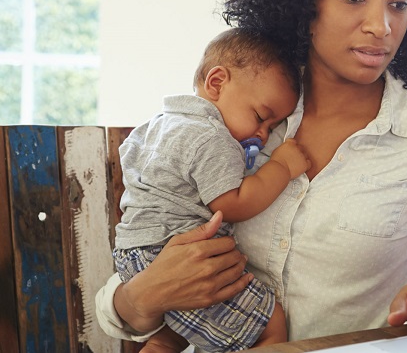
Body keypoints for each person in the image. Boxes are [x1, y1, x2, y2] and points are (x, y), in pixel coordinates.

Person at [95, 0, 407, 348]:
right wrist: (141, 297)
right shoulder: (239, 113)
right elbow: (127, 287)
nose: (381, 26)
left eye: (400, 4)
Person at [111, 27, 311, 352]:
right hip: (172, 254)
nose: (262, 135)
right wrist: (282, 167)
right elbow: (233, 204)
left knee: (172, 335)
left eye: (272, 128)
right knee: (270, 324)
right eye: (261, 117)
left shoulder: (158, 124)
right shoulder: (211, 137)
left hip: (136, 254)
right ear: (216, 83)